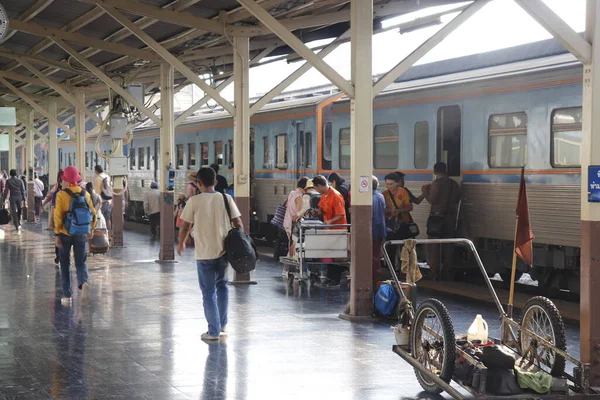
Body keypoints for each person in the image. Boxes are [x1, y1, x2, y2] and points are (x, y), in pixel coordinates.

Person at [177, 167, 243, 341]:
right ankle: (222, 324)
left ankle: (213, 332)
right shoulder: (226, 198)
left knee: (208, 292)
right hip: (223, 251)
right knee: (222, 286)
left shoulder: (194, 201)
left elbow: (185, 226)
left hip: (205, 252)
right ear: (215, 182)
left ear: (198, 184)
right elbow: (238, 222)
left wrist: (181, 242)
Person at [54, 166, 97, 306]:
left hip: (65, 234)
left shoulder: (61, 195)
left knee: (65, 263)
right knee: (81, 262)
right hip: (81, 233)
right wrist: (90, 230)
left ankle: (67, 297)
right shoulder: (85, 194)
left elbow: (58, 217)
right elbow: (93, 214)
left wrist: (57, 234)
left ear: (65, 179)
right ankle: (84, 282)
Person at [422, 162, 460, 280]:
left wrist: (425, 192)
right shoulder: (454, 184)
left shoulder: (436, 183)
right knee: (448, 245)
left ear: (434, 171)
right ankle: (447, 271)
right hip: (450, 218)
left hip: (437, 218)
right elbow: (457, 199)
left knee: (434, 246)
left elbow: (432, 200)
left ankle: (434, 273)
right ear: (446, 170)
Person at [312, 175, 347, 284]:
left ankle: (335, 279)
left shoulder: (336, 196)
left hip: (337, 229)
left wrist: (329, 221)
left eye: (315, 188)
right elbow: (322, 209)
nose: (316, 190)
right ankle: (330, 277)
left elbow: (341, 214)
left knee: (337, 255)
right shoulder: (324, 195)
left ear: (319, 186)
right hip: (328, 230)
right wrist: (317, 212)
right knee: (329, 254)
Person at [283, 177, 308, 258]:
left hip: (287, 222)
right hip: (293, 225)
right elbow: (299, 212)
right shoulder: (299, 196)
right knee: (294, 246)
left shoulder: (292, 193)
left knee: (291, 245)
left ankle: (289, 265)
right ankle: (291, 264)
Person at [372, 176, 387, 284]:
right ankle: (376, 278)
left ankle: (374, 280)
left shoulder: (369, 198)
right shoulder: (380, 196)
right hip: (380, 229)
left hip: (373, 230)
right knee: (376, 256)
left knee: (372, 257)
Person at [93, 165, 113, 236]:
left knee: (100, 219)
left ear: (96, 170)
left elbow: (97, 192)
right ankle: (109, 235)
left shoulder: (98, 178)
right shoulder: (107, 176)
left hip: (102, 201)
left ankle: (101, 235)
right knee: (108, 219)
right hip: (109, 200)